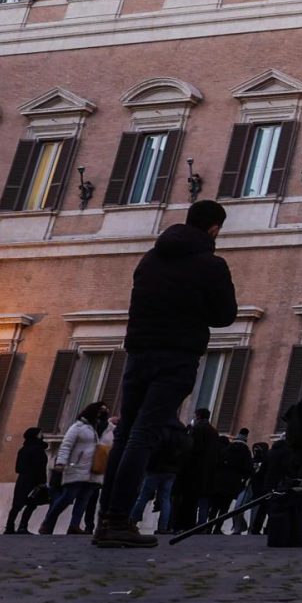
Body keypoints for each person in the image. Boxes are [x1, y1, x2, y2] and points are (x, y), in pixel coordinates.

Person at [93, 200, 237, 549]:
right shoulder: (211, 266)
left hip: (139, 352)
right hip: (176, 355)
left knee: (127, 432)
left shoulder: (149, 259)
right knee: (144, 435)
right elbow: (225, 315)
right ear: (214, 229)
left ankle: (107, 518)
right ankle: (117, 520)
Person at [39, 403, 106, 534]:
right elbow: (66, 445)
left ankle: (74, 525)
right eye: (98, 413)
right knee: (67, 497)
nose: (100, 416)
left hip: (91, 470)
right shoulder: (77, 427)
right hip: (76, 467)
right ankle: (48, 522)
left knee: (83, 499)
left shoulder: (94, 429)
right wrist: (61, 463)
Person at [5, 427, 51, 533]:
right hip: (34, 481)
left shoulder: (23, 449)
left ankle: (9, 527)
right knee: (31, 504)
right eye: (40, 434)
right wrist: (41, 482)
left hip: (22, 479)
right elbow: (40, 467)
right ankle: (22, 526)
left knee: (17, 505)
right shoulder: (38, 449)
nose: (42, 435)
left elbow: (18, 467)